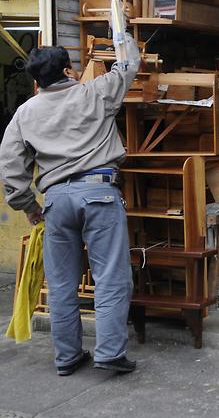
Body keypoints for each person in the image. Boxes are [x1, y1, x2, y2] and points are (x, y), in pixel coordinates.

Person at [0, 35, 141, 376]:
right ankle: (109, 352)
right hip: (98, 194)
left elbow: (10, 164)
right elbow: (128, 66)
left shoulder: (25, 112)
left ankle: (66, 357)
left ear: (36, 82)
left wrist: (27, 205)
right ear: (68, 70)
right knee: (110, 278)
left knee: (62, 284)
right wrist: (123, 35)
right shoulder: (95, 92)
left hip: (56, 201)